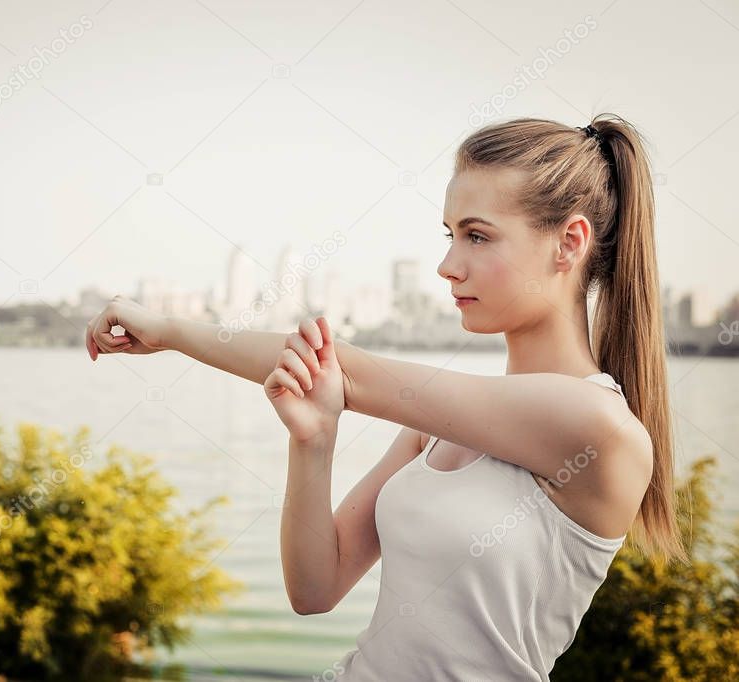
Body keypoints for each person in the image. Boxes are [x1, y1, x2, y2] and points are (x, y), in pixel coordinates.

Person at [84, 114, 688, 680]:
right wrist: (313, 441)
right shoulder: (439, 426)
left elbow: (344, 371)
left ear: (569, 242)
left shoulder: (597, 427)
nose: (448, 265)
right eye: (450, 235)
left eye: (478, 236)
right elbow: (315, 589)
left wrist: (168, 332)